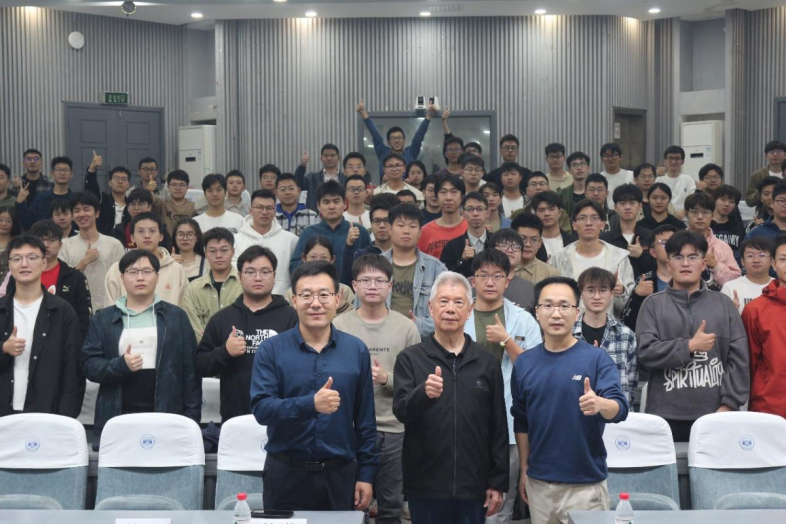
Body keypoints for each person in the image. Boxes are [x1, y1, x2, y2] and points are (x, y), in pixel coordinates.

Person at [250, 260, 378, 511]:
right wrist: (311, 405)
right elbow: (262, 409)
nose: (315, 303)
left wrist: (366, 474)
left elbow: (365, 421)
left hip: (340, 475)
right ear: (294, 300)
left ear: (337, 299)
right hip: (286, 475)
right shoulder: (272, 350)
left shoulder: (356, 350)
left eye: (324, 295)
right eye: (306, 295)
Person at [511, 276, 628, 524]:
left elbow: (620, 408)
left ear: (576, 313)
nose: (556, 313)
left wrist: (600, 404)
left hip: (585, 485)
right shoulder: (524, 363)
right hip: (539, 483)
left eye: (564, 306)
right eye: (548, 305)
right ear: (537, 312)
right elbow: (521, 421)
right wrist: (524, 469)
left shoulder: (596, 359)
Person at [393, 271, 508, 523]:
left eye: (458, 302)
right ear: (430, 307)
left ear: (469, 310)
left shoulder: (486, 361)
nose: (450, 309)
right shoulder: (410, 358)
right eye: (443, 301)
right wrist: (423, 394)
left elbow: (498, 425)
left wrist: (498, 481)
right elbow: (401, 411)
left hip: (474, 485)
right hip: (425, 485)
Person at [636, 230, 749, 441]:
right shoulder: (652, 305)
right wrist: (688, 346)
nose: (685, 263)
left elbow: (739, 359)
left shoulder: (723, 304)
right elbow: (645, 354)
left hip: (716, 414)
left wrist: (729, 405)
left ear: (704, 263)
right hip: (665, 416)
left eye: (693, 257)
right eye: (678, 257)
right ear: (668, 264)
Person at [334, 254, 421, 524]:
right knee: (350, 502)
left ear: (390, 286)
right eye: (365, 280)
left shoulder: (406, 327)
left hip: (393, 428)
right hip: (349, 427)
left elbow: (417, 382)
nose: (372, 286)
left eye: (379, 280)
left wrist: (386, 378)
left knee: (391, 504)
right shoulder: (338, 325)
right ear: (354, 285)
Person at [81, 249, 201, 447]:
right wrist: (120, 365)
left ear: (157, 276)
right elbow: (89, 366)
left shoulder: (175, 317)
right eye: (133, 272)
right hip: (117, 415)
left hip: (166, 413)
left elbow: (190, 372)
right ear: (122, 277)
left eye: (147, 271)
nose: (140, 277)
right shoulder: (103, 319)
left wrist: (191, 420)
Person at [463, 249, 542, 524]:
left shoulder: (524, 319)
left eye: (497, 276)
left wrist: (507, 341)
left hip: (509, 422)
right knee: (465, 501)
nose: (489, 282)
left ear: (507, 281)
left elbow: (536, 370)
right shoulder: (459, 315)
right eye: (483, 275)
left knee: (501, 507)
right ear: (472, 280)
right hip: (465, 421)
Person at [197, 245, 298, 422]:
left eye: (265, 272)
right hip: (235, 416)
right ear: (239, 276)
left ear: (274, 276)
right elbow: (201, 366)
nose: (258, 277)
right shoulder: (222, 318)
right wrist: (225, 351)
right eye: (250, 272)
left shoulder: (292, 317)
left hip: (282, 415)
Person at [0, 234, 83, 418]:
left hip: (47, 412)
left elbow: (72, 369)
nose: (24, 264)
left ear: (44, 263)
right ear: (9, 266)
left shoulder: (62, 311)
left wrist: (65, 416)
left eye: (32, 258)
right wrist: (3, 349)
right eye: (16, 259)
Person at [550, 200, 634, 318]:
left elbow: (628, 306)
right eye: (582, 218)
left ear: (603, 224)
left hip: (608, 324)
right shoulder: (559, 259)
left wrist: (621, 292)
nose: (588, 223)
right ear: (574, 225)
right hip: (569, 324)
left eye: (594, 218)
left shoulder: (619, 257)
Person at [575, 268, 638, 407]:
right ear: (581, 294)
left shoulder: (626, 335)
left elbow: (631, 381)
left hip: (616, 412)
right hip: (577, 409)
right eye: (590, 290)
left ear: (611, 293)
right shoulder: (569, 334)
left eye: (603, 290)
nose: (597, 296)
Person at [21, 220, 92, 339]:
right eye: (40, 239)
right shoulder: (20, 275)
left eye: (52, 240)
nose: (46, 245)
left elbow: (84, 319)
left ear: (60, 244)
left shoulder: (75, 277)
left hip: (64, 340)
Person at [742, 236, 786, 418]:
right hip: (769, 405)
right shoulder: (755, 309)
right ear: (774, 264)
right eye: (783, 259)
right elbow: (749, 363)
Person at [386, 204, 445, 339]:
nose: (406, 231)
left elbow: (448, 314)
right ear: (390, 229)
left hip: (423, 342)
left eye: (412, 226)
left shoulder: (436, 268)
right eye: (400, 225)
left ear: (420, 232)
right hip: (383, 339)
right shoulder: (375, 266)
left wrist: (418, 325)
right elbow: (360, 310)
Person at [104, 212, 188, 308]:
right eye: (141, 231)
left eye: (152, 231)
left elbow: (184, 307)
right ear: (132, 237)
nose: (147, 235)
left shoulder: (177, 270)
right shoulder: (117, 269)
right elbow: (110, 310)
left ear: (161, 236)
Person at [60, 192, 126, 312]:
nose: (81, 214)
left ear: (97, 213)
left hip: (108, 309)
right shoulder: (64, 246)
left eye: (86, 209)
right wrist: (84, 262)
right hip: (75, 311)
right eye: (76, 211)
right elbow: (63, 282)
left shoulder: (114, 245)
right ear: (72, 216)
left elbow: (122, 280)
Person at [290, 180, 372, 274]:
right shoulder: (308, 232)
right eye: (326, 202)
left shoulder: (359, 231)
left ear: (345, 204)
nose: (331, 206)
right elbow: (294, 268)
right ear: (318, 206)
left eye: (336, 201)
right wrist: (313, 259)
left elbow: (372, 264)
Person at [234, 190, 298, 295]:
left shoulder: (291, 240)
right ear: (250, 210)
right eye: (259, 207)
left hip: (282, 300)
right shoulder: (235, 240)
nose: (264, 212)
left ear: (275, 210)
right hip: (245, 299)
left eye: (269, 208)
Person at [182, 227, 242, 340]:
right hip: (205, 349)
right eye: (213, 251)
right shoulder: (193, 288)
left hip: (240, 346)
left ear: (233, 252)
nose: (218, 255)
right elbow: (193, 327)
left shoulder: (244, 284)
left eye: (224, 250)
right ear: (205, 253)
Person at [620, 224, 678, 331]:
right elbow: (626, 323)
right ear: (653, 252)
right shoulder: (645, 280)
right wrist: (637, 297)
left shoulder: (691, 277)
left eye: (674, 242)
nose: (671, 247)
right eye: (664, 243)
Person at [358, 99, 434, 176]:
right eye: (393, 138)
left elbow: (419, 136)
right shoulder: (383, 152)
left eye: (399, 138)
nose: (397, 141)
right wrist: (364, 113)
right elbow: (376, 135)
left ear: (404, 141)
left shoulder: (410, 153)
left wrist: (429, 115)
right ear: (388, 142)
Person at [683, 191, 741, 289]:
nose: (700, 217)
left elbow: (736, 283)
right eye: (694, 212)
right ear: (686, 214)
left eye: (705, 212)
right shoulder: (676, 244)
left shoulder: (723, 247)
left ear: (712, 215)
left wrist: (716, 265)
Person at [286, 237, 356, 315]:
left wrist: (343, 307)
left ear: (332, 259)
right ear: (304, 258)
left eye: (324, 257)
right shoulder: (292, 292)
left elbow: (354, 318)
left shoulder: (344, 290)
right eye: (313, 257)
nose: (318, 261)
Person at [341, 194, 396, 285]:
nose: (382, 225)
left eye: (387, 221)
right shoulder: (361, 255)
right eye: (377, 221)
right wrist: (349, 245)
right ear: (371, 223)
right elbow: (347, 281)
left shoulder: (403, 253)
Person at [601, 184, 653, 280]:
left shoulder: (650, 236)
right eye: (622, 203)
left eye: (632, 203)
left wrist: (641, 255)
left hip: (645, 287)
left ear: (640, 206)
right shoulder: (605, 239)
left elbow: (658, 268)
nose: (627, 207)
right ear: (615, 208)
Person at [16, 156, 74, 230]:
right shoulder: (41, 199)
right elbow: (28, 223)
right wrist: (20, 203)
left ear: (71, 174)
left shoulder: (74, 200)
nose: (62, 173)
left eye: (65, 170)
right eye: (58, 169)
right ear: (52, 174)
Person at [440, 192, 490, 277]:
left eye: (480, 209)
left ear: (488, 213)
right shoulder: (451, 246)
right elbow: (444, 277)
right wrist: (462, 259)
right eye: (470, 209)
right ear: (463, 214)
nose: (475, 213)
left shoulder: (496, 242)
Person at [418, 175, 467, 259]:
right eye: (443, 192)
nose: (448, 198)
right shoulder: (425, 232)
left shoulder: (471, 228)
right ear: (436, 196)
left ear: (462, 196)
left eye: (454, 192)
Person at [721, 237, 774, 315]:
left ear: (772, 261)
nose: (756, 260)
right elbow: (721, 319)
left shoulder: (780, 286)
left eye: (762, 255)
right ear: (742, 261)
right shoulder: (730, 288)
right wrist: (730, 312)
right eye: (750, 256)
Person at [487, 229, 537, 311]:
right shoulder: (476, 284)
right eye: (504, 245)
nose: (510, 250)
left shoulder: (530, 289)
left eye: (515, 247)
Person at [511, 214, 561, 284]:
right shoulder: (501, 270)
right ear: (512, 240)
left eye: (534, 240)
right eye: (523, 239)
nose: (528, 244)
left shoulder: (551, 274)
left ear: (540, 243)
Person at [295, 144, 346, 211]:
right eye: (326, 156)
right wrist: (302, 166)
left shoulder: (346, 179)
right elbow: (298, 183)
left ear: (339, 158)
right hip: (316, 214)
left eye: (332, 155)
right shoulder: (312, 178)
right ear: (321, 159)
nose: (329, 158)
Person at [84, 163, 129, 235]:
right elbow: (91, 190)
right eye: (116, 178)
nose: (120, 181)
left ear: (128, 184)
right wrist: (92, 169)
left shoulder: (132, 205)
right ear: (110, 183)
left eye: (124, 179)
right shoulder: (102, 199)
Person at [532, 192, 576, 261]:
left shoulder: (573, 242)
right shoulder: (530, 244)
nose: (546, 213)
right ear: (535, 215)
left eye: (551, 209)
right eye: (541, 210)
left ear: (559, 213)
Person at [744, 140, 786, 211]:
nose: (775, 154)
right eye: (771, 152)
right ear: (766, 156)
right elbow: (749, 201)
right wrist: (762, 190)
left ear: (785, 154)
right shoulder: (757, 175)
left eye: (779, 151)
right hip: (764, 214)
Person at [658, 146, 696, 215]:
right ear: (665, 161)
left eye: (677, 158)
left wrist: (684, 211)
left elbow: (692, 199)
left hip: (684, 217)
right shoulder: (658, 179)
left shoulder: (688, 179)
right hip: (663, 216)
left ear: (682, 162)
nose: (673, 161)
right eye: (670, 158)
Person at [711, 185, 746, 258]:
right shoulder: (706, 225)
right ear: (714, 200)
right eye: (723, 200)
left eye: (731, 201)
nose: (727, 204)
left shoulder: (737, 226)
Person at [162, 170, 196, 235]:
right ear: (168, 187)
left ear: (187, 187)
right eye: (174, 185)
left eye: (182, 185)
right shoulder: (162, 205)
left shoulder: (194, 207)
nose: (178, 188)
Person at [558, 151, 592, 218]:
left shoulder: (596, 192)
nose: (579, 168)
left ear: (588, 168)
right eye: (574, 165)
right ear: (569, 171)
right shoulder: (562, 194)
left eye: (582, 164)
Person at [599, 143, 633, 208]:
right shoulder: (599, 178)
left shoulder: (631, 175)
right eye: (606, 156)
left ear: (620, 157)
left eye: (613, 155)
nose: (610, 158)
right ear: (602, 159)